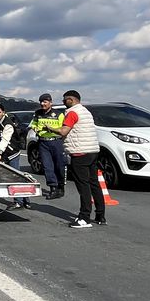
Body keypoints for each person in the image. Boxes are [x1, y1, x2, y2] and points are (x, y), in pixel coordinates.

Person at [56, 90, 105, 228]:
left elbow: (63, 131)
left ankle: (84, 217)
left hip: (79, 152)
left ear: (71, 100)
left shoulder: (72, 112)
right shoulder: (85, 111)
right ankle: (100, 215)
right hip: (92, 150)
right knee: (94, 183)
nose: (63, 102)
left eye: (64, 100)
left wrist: (50, 128)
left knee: (83, 185)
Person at [31, 93, 68, 200]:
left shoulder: (58, 114)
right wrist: (35, 128)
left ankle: (61, 187)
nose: (43, 104)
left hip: (56, 142)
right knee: (47, 166)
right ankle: (53, 188)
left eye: (45, 102)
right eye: (41, 102)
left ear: (50, 103)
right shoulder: (38, 113)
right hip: (43, 142)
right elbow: (33, 124)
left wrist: (50, 128)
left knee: (59, 165)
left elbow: (63, 129)